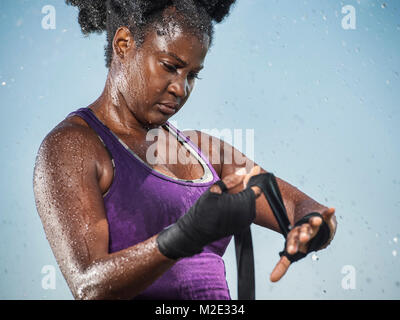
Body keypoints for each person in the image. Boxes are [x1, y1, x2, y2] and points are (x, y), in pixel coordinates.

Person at [33, 0, 337, 300]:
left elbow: (305, 208)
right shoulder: (75, 146)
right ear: (123, 44)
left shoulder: (205, 152)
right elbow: (89, 287)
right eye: (170, 67)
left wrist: (313, 227)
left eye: (192, 75)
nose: (181, 88)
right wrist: (186, 234)